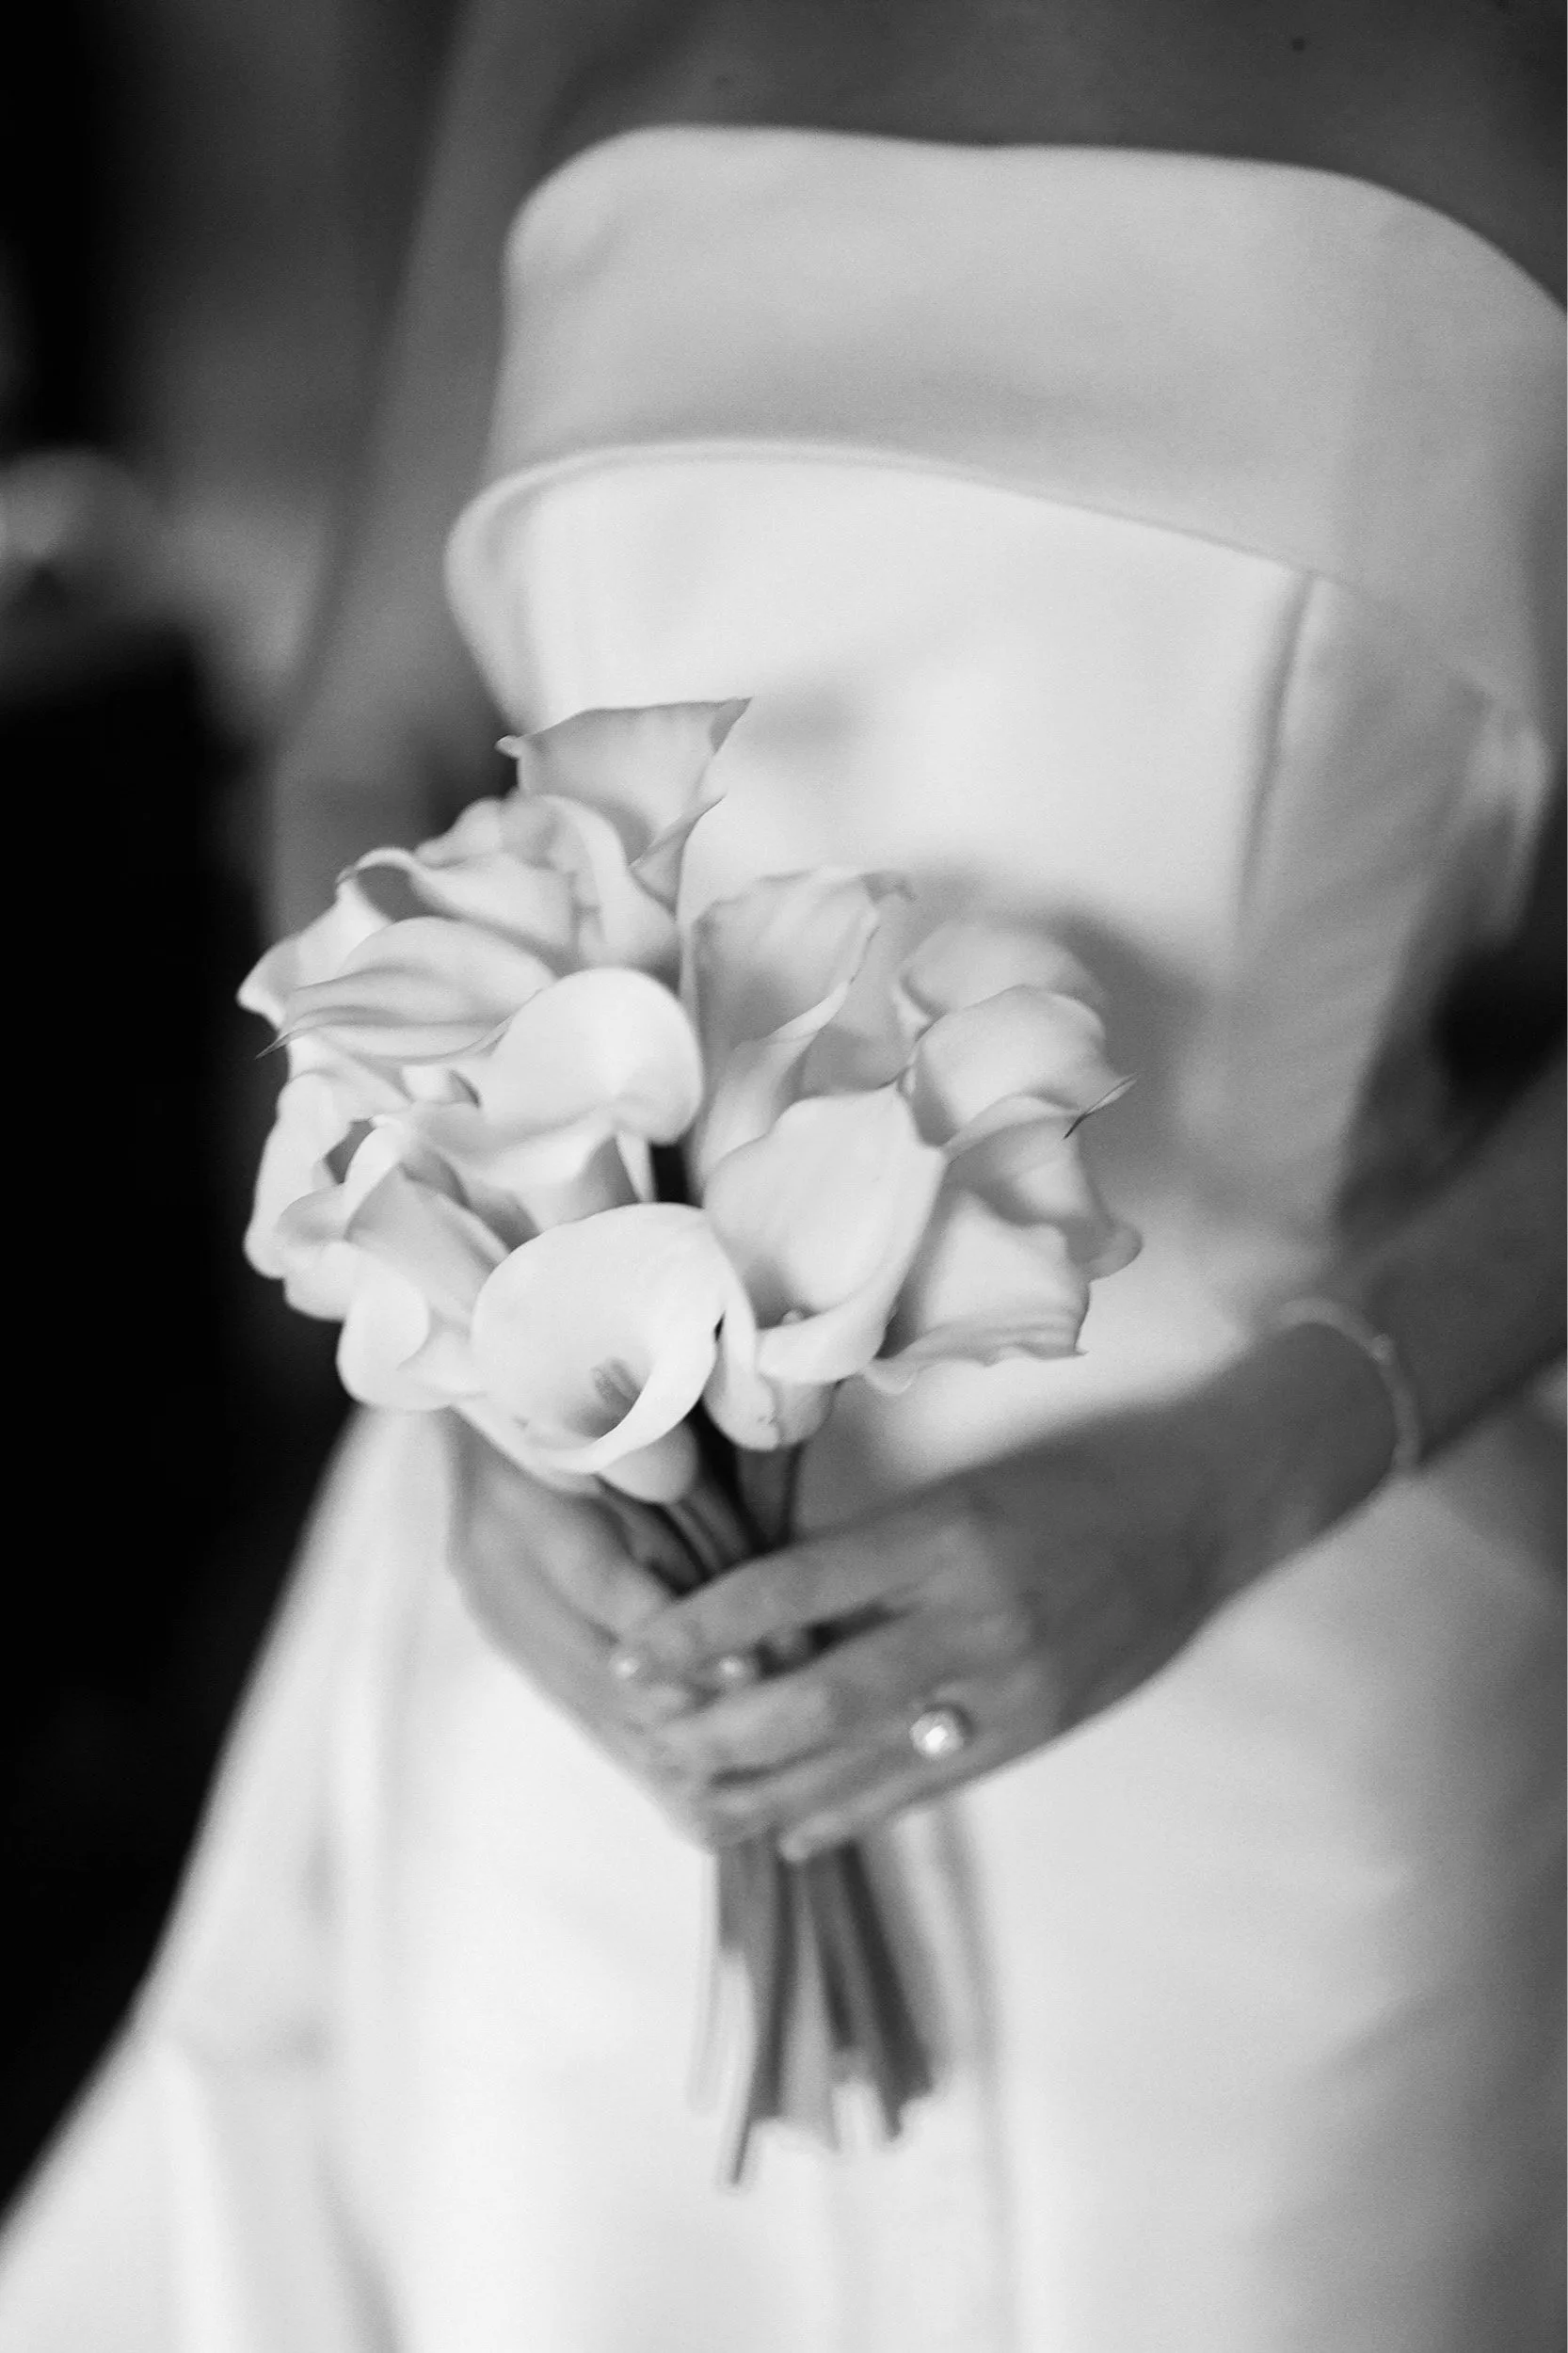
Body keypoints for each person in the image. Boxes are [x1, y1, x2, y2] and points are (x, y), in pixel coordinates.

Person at [1, 2, 1561, 2345]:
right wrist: (475, 1370)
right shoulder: (553, 26)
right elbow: (367, 752)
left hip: (1253, 1649)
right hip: (584, 1656)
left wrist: (1232, 1486)